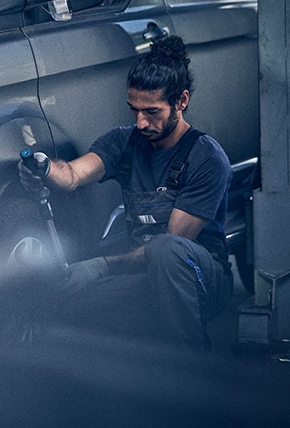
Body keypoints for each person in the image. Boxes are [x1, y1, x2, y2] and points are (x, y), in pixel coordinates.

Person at [19, 35, 234, 350]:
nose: (141, 122)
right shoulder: (123, 142)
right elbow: (74, 175)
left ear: (182, 101)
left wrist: (101, 266)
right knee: (65, 302)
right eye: (134, 110)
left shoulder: (207, 158)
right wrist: (44, 168)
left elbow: (172, 244)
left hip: (200, 278)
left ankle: (191, 369)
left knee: (166, 252)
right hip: (140, 276)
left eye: (152, 112)